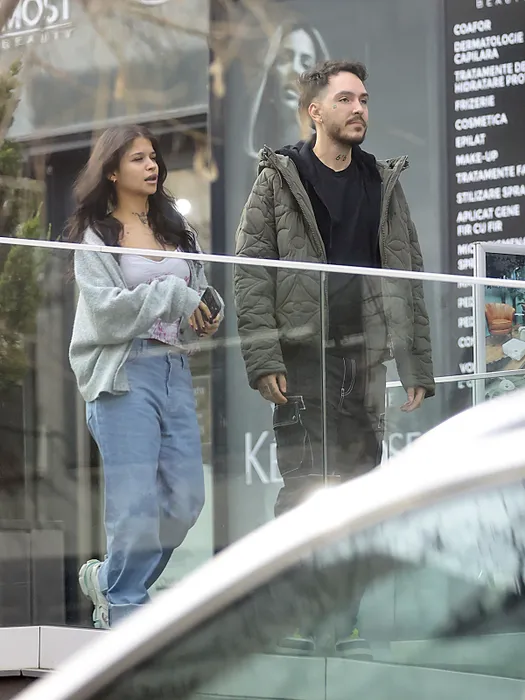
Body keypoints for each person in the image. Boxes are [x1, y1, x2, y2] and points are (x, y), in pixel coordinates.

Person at [234, 60, 435, 658]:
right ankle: (297, 616)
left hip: (365, 361)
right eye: (345, 99)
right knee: (304, 489)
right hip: (303, 358)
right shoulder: (279, 178)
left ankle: (342, 622)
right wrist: (263, 355)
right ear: (314, 110)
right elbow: (251, 275)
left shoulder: (383, 182)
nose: (359, 109)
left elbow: (408, 275)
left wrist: (415, 364)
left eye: (364, 99)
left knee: (360, 494)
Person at [67, 125, 221, 628]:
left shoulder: (179, 231)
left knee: (186, 499)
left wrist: (206, 311)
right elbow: (106, 312)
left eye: (153, 157)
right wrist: (175, 296)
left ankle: (109, 580)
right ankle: (126, 608)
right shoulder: (96, 237)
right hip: (122, 374)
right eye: (138, 158)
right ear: (112, 171)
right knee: (134, 504)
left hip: (173, 368)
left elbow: (196, 289)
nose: (151, 165)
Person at [247, 22, 329, 158]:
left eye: (306, 64)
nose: (295, 69)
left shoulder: (331, 163)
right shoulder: (255, 164)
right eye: (286, 59)